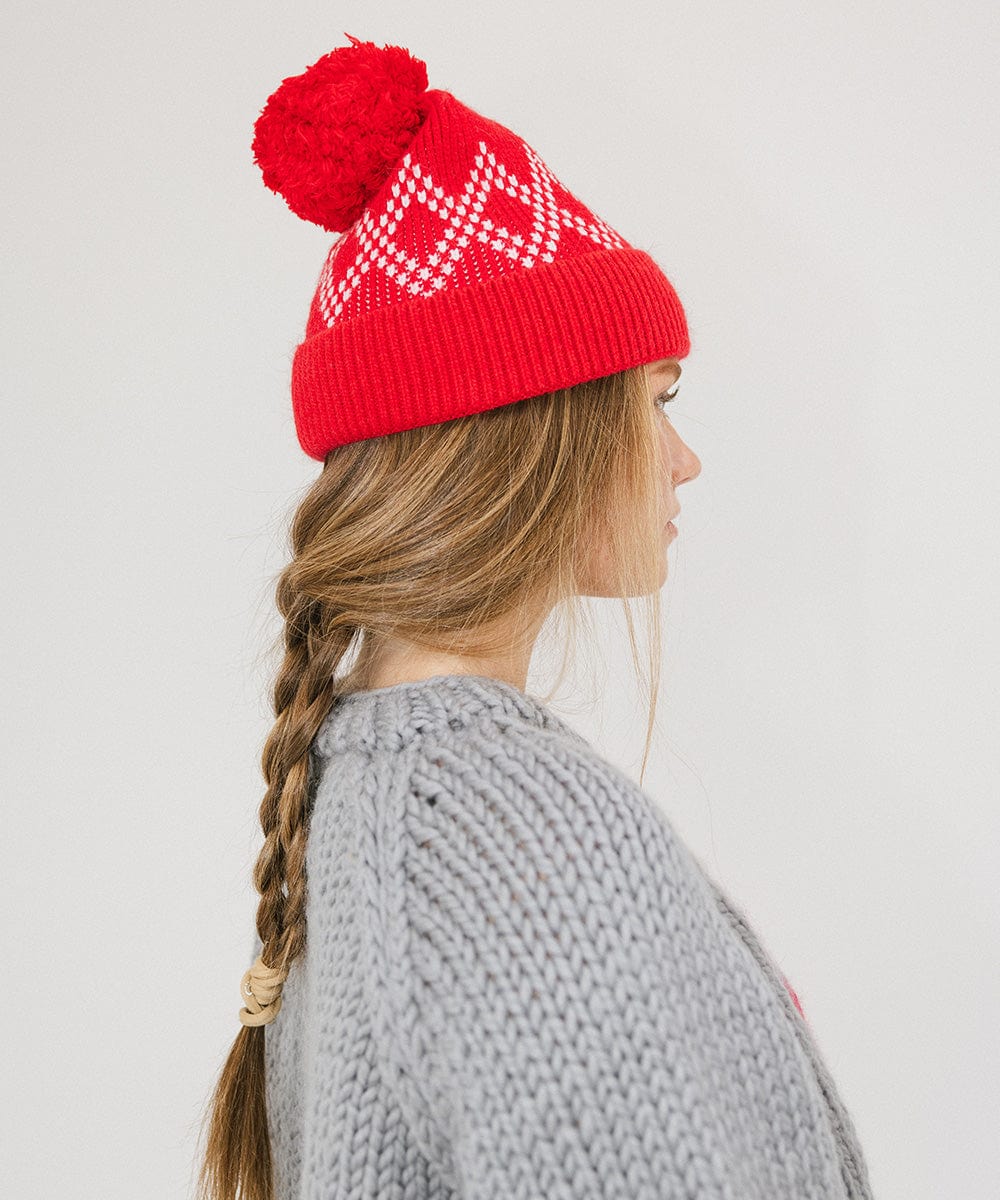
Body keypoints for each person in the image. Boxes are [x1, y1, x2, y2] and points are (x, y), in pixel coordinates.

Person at [196, 34, 875, 1200]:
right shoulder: (523, 836)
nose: (684, 458)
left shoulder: (368, 788)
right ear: (537, 439)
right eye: (654, 403)